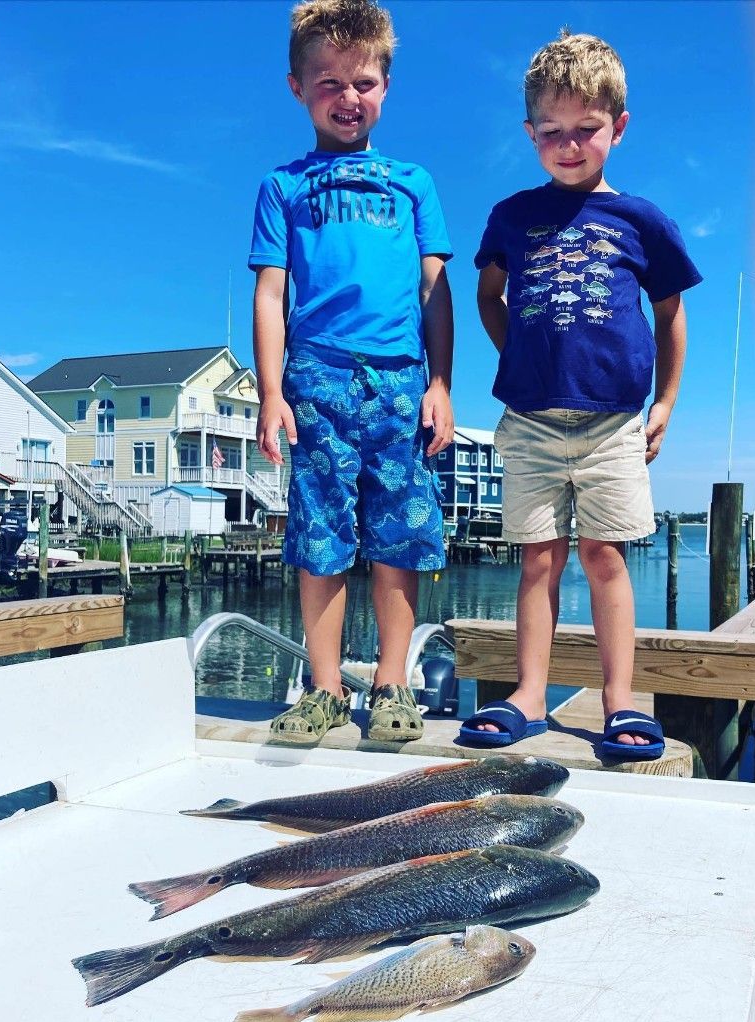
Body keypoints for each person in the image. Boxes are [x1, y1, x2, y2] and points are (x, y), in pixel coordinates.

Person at [460, 30, 701, 759]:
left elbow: (669, 316)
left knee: (603, 554)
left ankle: (619, 699)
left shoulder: (641, 221)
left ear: (617, 128)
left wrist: (664, 404)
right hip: (529, 420)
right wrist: (522, 357)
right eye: (552, 132)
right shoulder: (510, 215)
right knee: (537, 557)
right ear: (530, 132)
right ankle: (528, 695)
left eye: (586, 130)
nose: (569, 145)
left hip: (612, 424)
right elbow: (488, 294)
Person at [249, 0, 454, 745]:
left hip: (400, 380)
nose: (347, 96)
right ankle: (326, 687)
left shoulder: (412, 183)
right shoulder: (283, 186)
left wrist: (439, 383)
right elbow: (271, 294)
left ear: (386, 86)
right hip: (317, 381)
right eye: (328, 81)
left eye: (362, 81)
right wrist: (272, 394)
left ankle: (392, 683)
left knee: (398, 539)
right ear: (298, 87)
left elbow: (435, 290)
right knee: (322, 537)